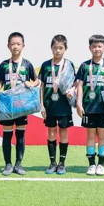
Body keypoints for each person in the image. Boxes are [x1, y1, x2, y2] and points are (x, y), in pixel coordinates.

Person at [75, 34, 104, 176]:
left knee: (103, 136)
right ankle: (91, 164)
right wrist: (79, 103)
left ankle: (101, 164)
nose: (97, 49)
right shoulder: (84, 66)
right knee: (91, 136)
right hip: (88, 107)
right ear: (90, 48)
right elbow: (79, 85)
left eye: (100, 46)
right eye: (94, 46)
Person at [0, 32, 39, 176]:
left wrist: (31, 84)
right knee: (7, 135)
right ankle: (8, 164)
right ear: (8, 46)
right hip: (7, 105)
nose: (15, 46)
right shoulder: (4, 65)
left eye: (18, 44)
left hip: (22, 105)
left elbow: (37, 80)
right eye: (13, 44)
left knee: (20, 135)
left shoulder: (27, 64)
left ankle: (18, 164)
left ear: (23, 46)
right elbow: (0, 81)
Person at [39, 34, 74, 175]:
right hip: (49, 105)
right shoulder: (46, 65)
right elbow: (41, 87)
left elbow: (75, 83)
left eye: (61, 48)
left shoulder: (69, 65)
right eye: (55, 48)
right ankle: (52, 163)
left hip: (64, 105)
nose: (58, 50)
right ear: (51, 48)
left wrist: (72, 90)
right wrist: (41, 105)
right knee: (51, 132)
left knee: (63, 132)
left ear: (65, 49)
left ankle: (62, 163)